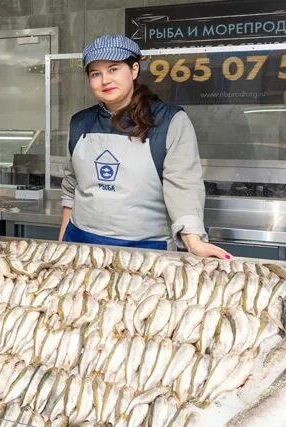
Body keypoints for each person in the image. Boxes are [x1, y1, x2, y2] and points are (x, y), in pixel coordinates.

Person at [59, 34, 230, 259]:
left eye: (113, 69)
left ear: (134, 70)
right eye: (95, 74)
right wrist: (61, 244)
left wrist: (193, 240)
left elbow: (184, 186)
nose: (105, 80)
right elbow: (71, 187)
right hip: (81, 244)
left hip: (146, 249)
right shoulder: (80, 122)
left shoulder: (171, 120)